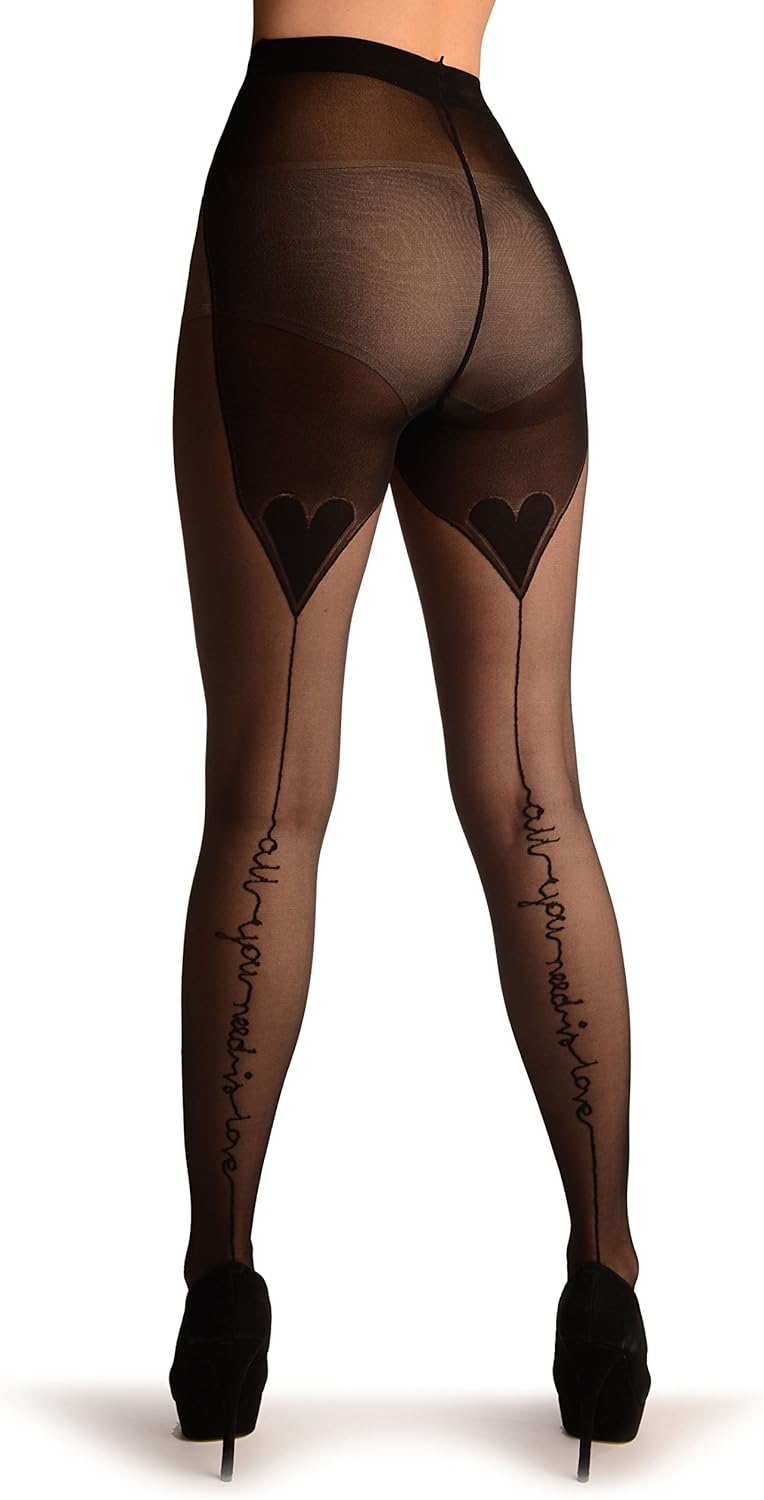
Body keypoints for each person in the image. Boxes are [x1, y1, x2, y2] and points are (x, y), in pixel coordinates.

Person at [168, 0, 651, 1482]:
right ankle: (607, 1287)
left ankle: (221, 1297)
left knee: (269, 792)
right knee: (533, 788)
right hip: (503, 223)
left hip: (316, 199)